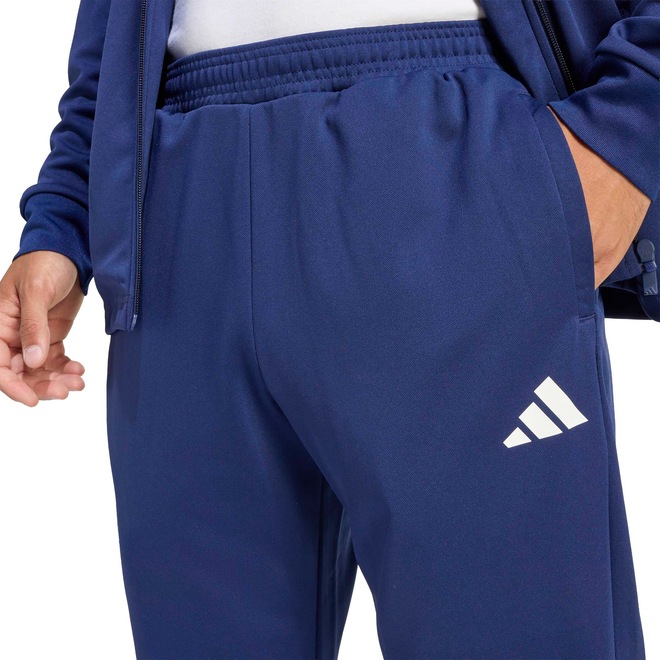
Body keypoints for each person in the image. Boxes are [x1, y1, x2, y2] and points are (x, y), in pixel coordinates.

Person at [1, 0, 658, 657]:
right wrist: (66, 217)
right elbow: (113, 38)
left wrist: (627, 126)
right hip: (180, 212)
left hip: (447, 162)